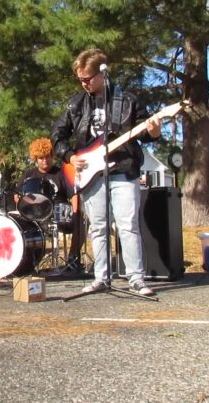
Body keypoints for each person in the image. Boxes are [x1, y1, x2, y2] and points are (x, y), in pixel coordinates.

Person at [51, 48, 161, 296]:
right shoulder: (75, 104)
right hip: (92, 173)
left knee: (127, 225)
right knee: (98, 227)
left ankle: (136, 278)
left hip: (123, 169)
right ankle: (101, 277)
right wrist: (70, 156)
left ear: (102, 73)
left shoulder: (128, 101)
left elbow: (150, 134)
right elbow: (58, 135)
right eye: (80, 79)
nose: (84, 84)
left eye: (88, 78)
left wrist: (154, 130)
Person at [17, 137, 84, 271]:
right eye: (41, 158)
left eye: (47, 157)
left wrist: (76, 212)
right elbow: (17, 195)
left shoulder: (61, 173)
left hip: (60, 214)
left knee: (81, 222)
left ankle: (73, 258)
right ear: (35, 159)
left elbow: (74, 195)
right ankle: (29, 262)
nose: (45, 160)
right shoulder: (29, 174)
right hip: (35, 216)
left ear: (52, 156)